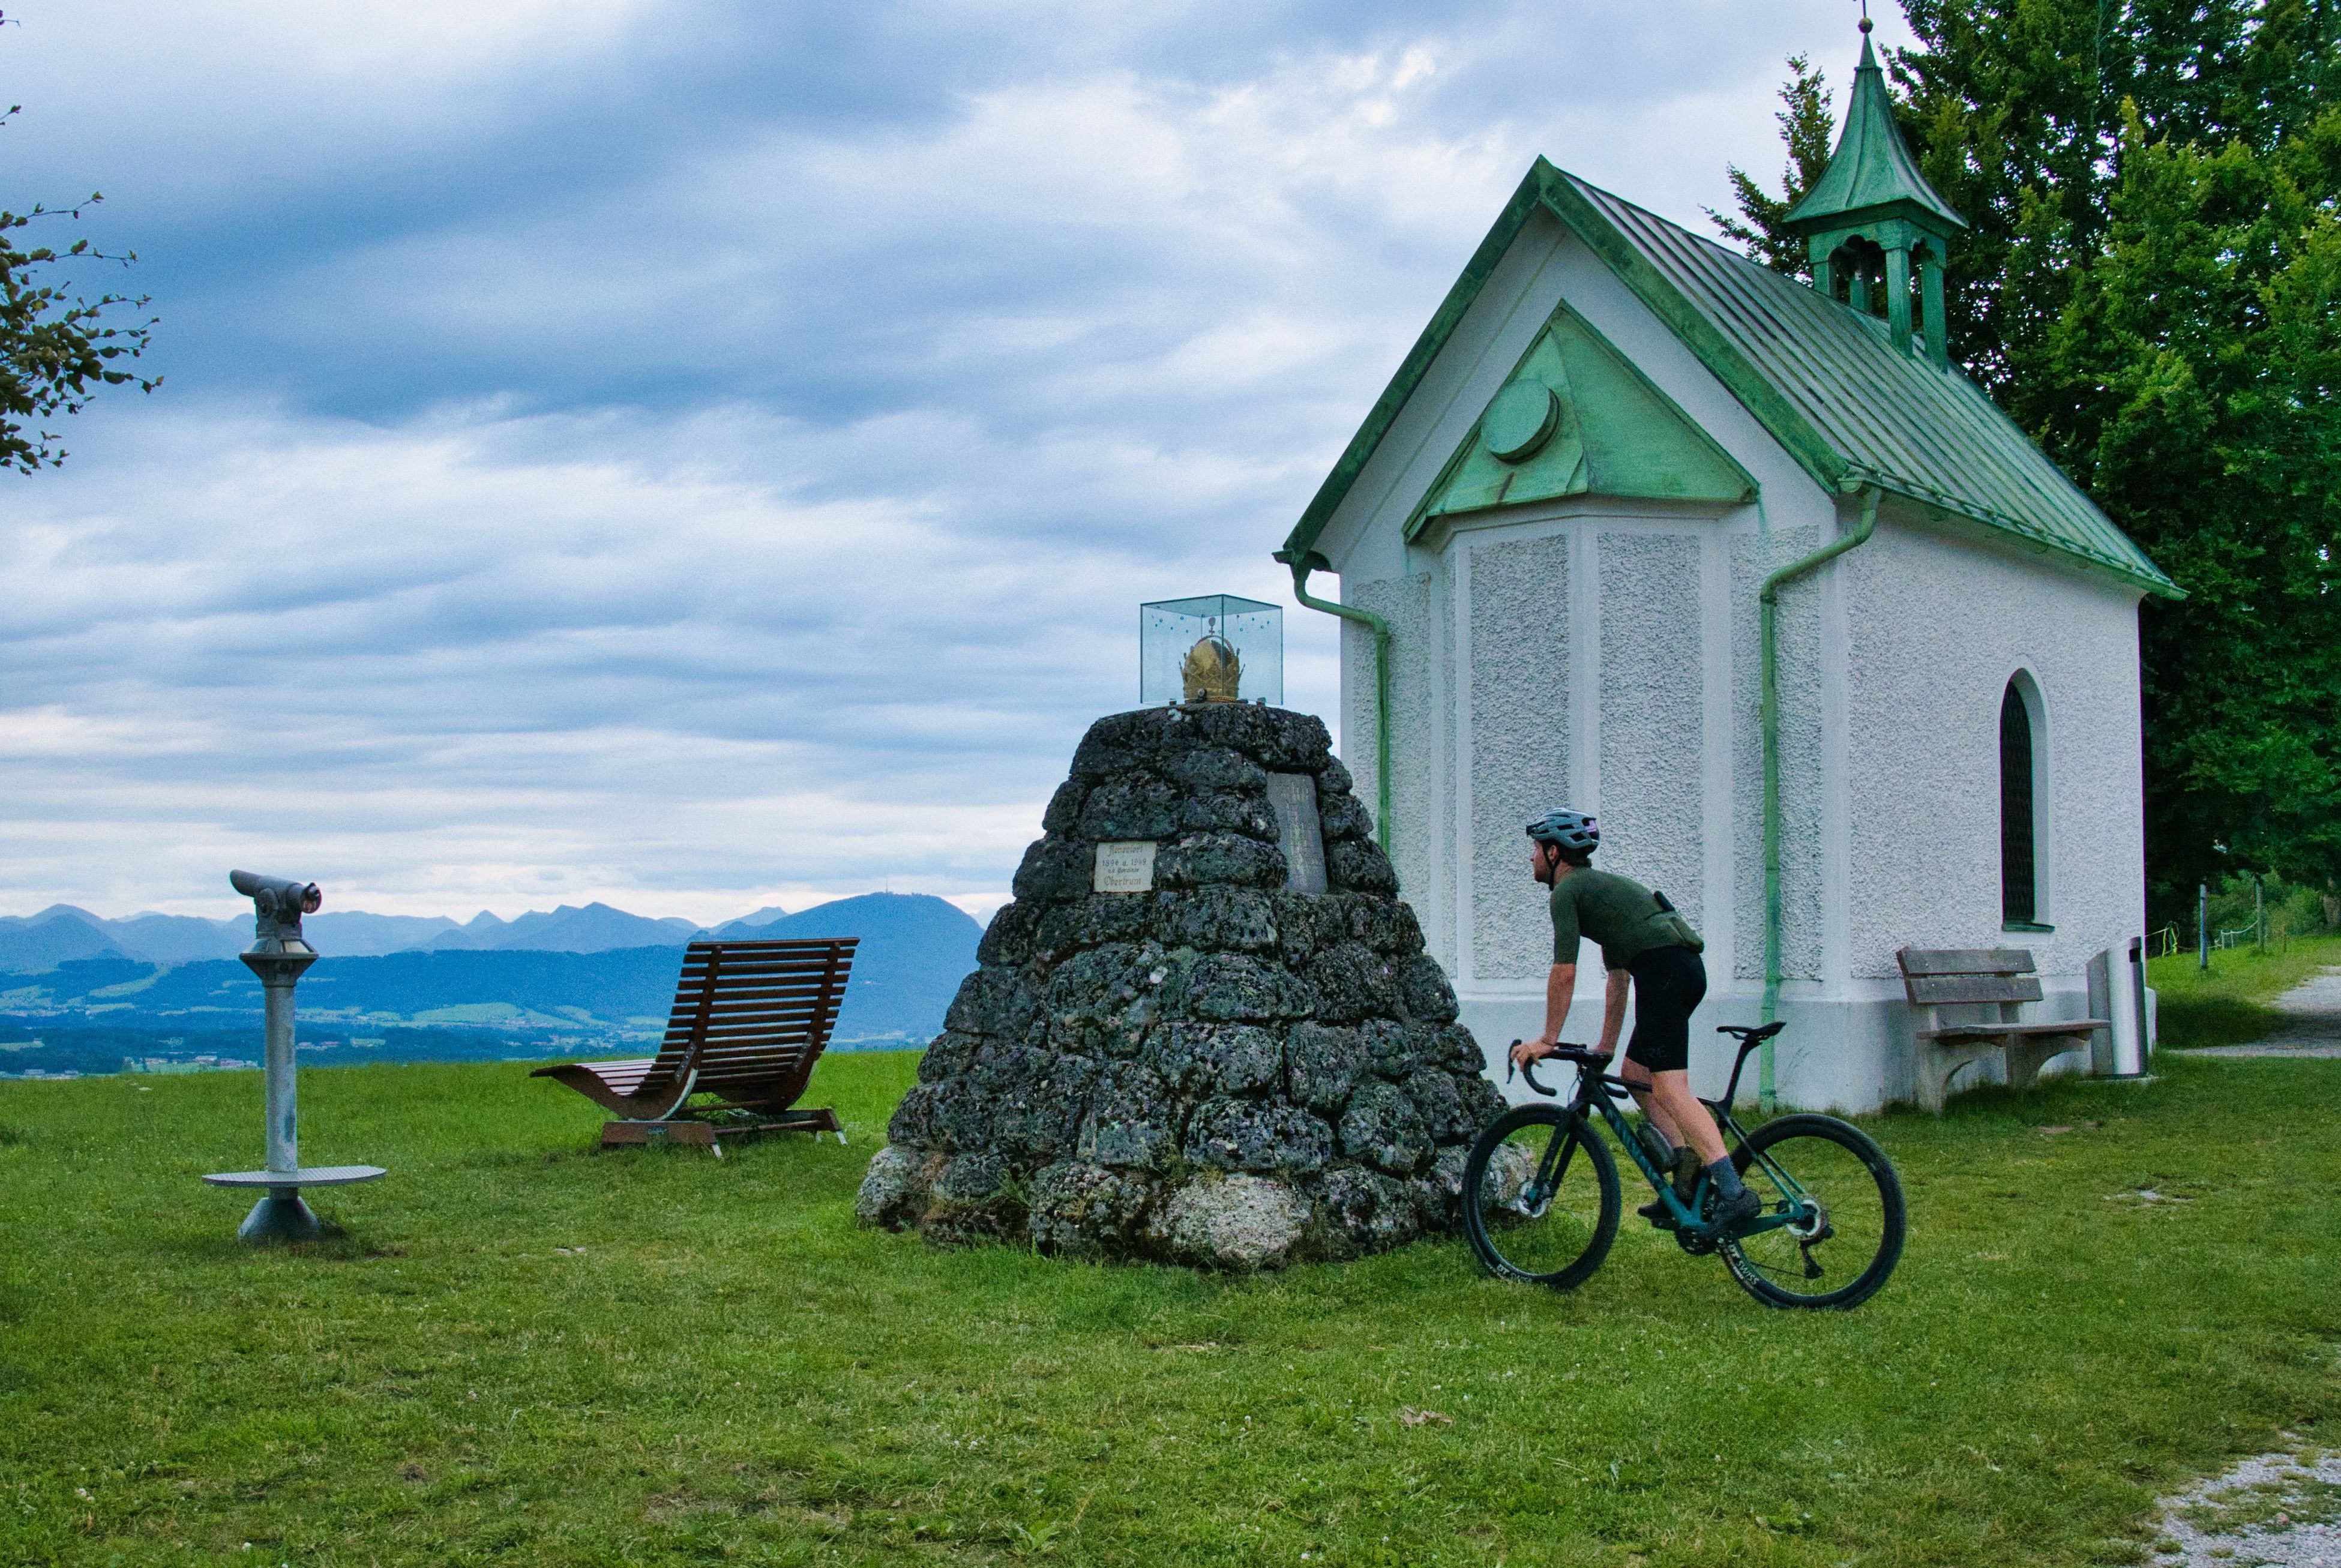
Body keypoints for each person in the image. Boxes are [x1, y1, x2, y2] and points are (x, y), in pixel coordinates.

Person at [1507, 808, 1758, 1229]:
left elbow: (1563, 972)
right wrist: (1606, 1046)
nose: (1530, 858)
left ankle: (1733, 1192)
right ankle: (1685, 1179)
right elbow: (1618, 979)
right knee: (1635, 1073)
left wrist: (1547, 1039)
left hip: (1664, 973)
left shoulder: (1567, 893)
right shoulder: (1601, 894)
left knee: (1672, 1088)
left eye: (1535, 849)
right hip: (1678, 969)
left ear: (1554, 853)